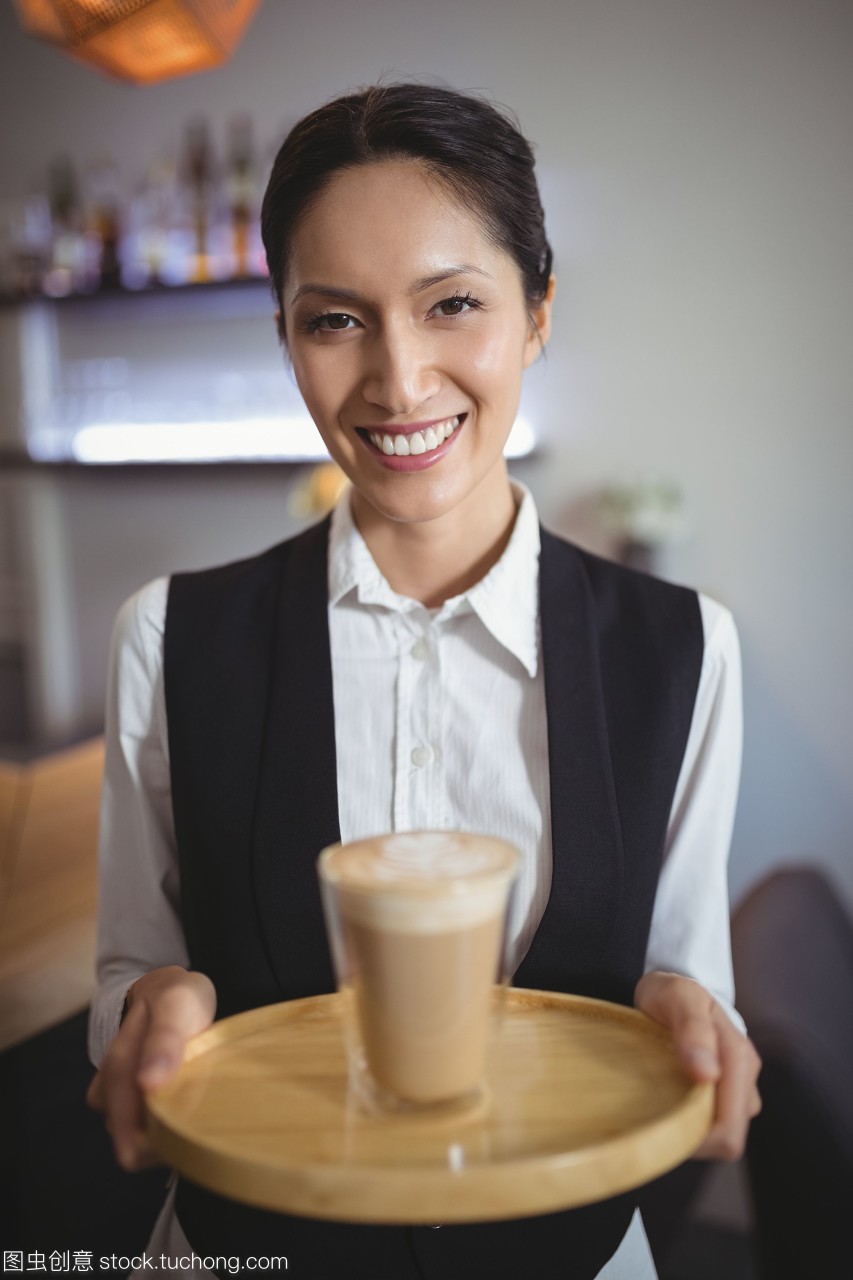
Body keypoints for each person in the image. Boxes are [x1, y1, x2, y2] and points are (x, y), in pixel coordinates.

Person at [87, 82, 761, 1279]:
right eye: (334, 320)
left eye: (452, 303)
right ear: (285, 335)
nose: (398, 382)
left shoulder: (682, 648)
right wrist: (151, 1011)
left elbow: (686, 971)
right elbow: (128, 974)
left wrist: (692, 1018)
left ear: (537, 310)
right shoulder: (169, 636)